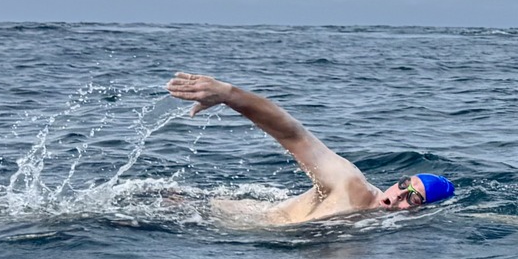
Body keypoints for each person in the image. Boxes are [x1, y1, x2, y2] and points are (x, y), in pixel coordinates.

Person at [166, 72, 453, 225]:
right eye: (402, 186)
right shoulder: (351, 185)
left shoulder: (374, 224)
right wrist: (230, 95)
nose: (394, 199)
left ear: (422, 213)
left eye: (411, 201)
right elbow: (294, 135)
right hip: (191, 212)